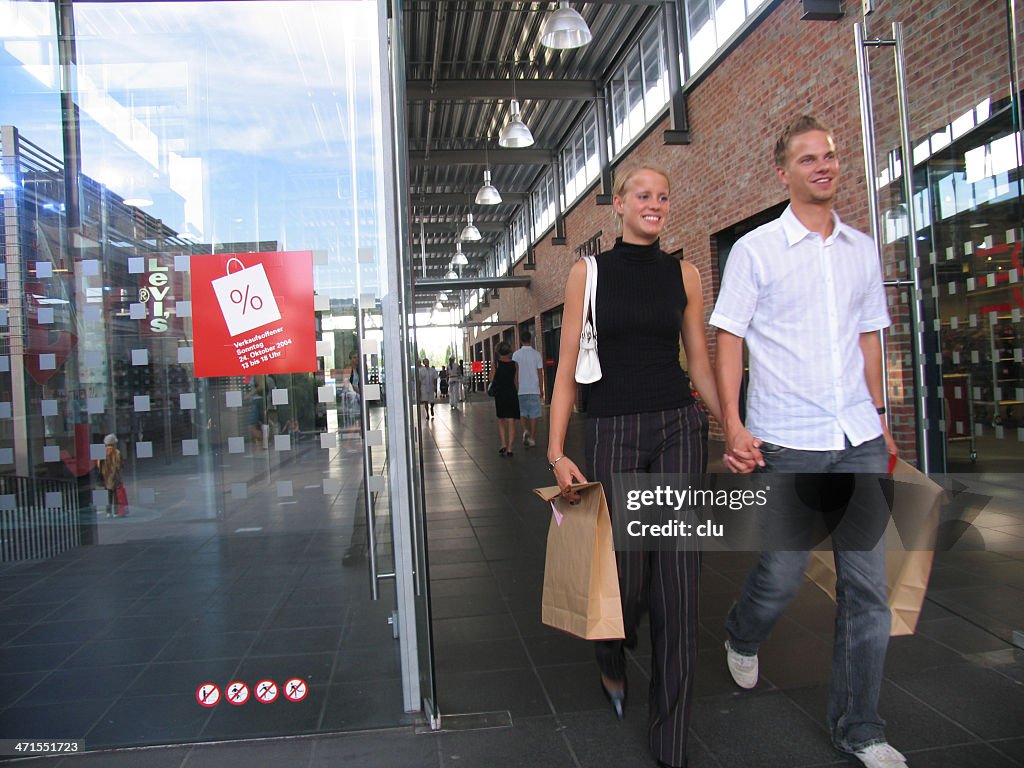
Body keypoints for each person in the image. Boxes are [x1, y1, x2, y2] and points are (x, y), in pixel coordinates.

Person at [710, 115, 903, 768]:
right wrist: (733, 425)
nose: (824, 165)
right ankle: (743, 632)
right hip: (786, 442)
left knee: (868, 589)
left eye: (830, 155)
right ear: (783, 171)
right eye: (808, 157)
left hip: (856, 438)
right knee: (783, 573)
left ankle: (862, 730)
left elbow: (870, 333)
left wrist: (879, 417)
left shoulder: (862, 250)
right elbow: (728, 337)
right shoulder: (756, 251)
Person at [546, 163, 723, 768]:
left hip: (679, 424)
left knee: (680, 583)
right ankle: (611, 650)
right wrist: (556, 448)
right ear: (617, 205)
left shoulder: (686, 274)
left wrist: (731, 423)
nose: (655, 204)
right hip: (614, 428)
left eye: (663, 197)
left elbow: (698, 359)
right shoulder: (586, 274)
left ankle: (670, 743)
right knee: (628, 574)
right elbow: (567, 365)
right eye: (642, 195)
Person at [512, 330, 544, 447]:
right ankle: (532, 438)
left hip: (521, 388)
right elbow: (540, 373)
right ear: (530, 339)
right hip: (534, 388)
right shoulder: (537, 354)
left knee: (523, 412)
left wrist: (516, 386)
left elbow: (515, 373)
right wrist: (541, 388)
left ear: (521, 340)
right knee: (534, 414)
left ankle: (525, 429)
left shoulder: (516, 355)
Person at [489, 341, 519, 455]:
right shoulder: (515, 364)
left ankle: (503, 444)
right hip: (511, 393)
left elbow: (491, 379)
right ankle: (510, 448)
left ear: (498, 351)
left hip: (500, 394)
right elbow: (516, 381)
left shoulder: (496, 364)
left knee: (501, 419)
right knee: (511, 420)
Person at [97, 433, 122, 518]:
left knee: (108, 494)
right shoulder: (116, 452)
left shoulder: (102, 451)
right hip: (114, 475)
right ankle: (115, 512)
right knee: (115, 494)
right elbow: (118, 465)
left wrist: (102, 471)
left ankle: (108, 512)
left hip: (105, 475)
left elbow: (98, 464)